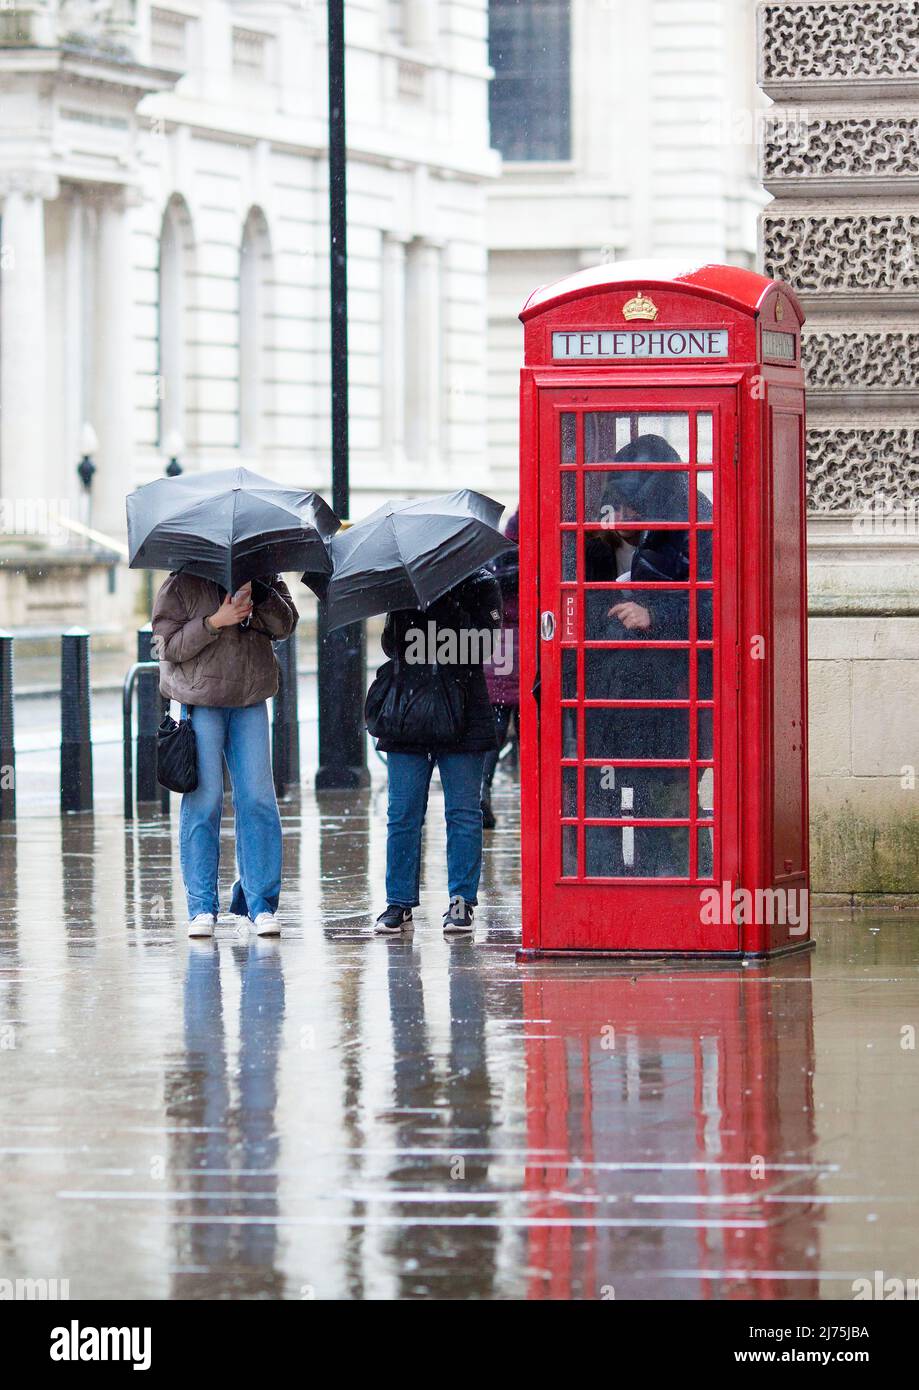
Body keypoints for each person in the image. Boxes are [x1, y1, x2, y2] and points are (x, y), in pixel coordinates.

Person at [589, 434, 712, 878]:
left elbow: (717, 606)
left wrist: (654, 614)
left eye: (631, 502)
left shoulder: (696, 523)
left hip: (674, 695)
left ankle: (688, 889)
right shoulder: (611, 532)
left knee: (672, 805)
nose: (622, 513)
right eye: (617, 503)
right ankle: (639, 891)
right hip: (619, 696)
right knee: (630, 799)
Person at [152, 571, 299, 937]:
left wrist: (258, 602)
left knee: (258, 800)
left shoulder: (263, 574)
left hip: (249, 699)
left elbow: (286, 624)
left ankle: (259, 904)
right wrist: (216, 621)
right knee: (205, 800)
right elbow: (164, 646)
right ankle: (202, 907)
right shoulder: (182, 581)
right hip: (199, 702)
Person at [373, 568, 502, 936]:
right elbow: (391, 643)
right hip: (409, 710)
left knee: (463, 811)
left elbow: (480, 646)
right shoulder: (405, 583)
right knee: (403, 813)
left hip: (462, 710)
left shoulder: (480, 582)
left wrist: (445, 610)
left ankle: (461, 900)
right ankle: (398, 902)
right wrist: (417, 609)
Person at [481, 509, 519, 829]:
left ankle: (483, 790)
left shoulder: (497, 559)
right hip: (531, 655)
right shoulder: (541, 560)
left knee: (494, 732)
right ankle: (543, 800)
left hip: (499, 654)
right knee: (533, 737)